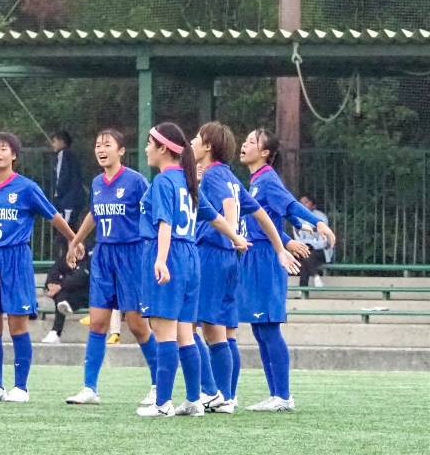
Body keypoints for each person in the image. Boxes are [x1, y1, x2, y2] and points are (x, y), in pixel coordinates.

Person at [135, 123, 251, 418]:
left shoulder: (164, 182)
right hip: (191, 258)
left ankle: (162, 404)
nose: (146, 148)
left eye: (150, 143)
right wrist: (236, 237)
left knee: (164, 333)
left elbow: (164, 224)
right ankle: (194, 401)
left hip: (170, 253)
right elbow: (214, 217)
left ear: (163, 148)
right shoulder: (188, 181)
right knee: (185, 332)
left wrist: (160, 260)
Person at [192, 122, 297, 413]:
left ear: (209, 146)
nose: (192, 142)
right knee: (221, 333)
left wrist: (233, 236)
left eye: (196, 138)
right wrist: (280, 247)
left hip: (212, 255)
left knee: (186, 327)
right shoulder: (228, 175)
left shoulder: (214, 174)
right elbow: (261, 214)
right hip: (230, 260)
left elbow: (228, 206)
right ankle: (225, 396)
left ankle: (211, 393)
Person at [0, 132, 79, 403]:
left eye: (3, 149)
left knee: (17, 325)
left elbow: (53, 215)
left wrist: (73, 239)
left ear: (14, 155)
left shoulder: (26, 188)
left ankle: (20, 387)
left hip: (15, 259)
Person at [238, 129, 336, 412]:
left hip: (267, 258)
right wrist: (296, 228)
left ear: (265, 153)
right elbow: (277, 214)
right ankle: (275, 394)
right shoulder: (255, 182)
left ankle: (283, 395)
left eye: (252, 142)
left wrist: (316, 224)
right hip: (252, 256)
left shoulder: (267, 178)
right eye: (245, 140)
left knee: (269, 327)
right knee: (260, 330)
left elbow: (290, 203)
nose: (245, 144)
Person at [63, 130, 157, 405]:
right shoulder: (96, 183)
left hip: (132, 255)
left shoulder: (136, 181)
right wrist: (76, 240)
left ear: (121, 151)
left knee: (138, 326)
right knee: (98, 322)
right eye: (97, 144)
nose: (101, 149)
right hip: (104, 255)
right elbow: (94, 212)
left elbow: (152, 212)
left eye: (107, 145)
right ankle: (89, 388)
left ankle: (158, 384)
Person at [40, 248, 90, 345]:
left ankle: (56, 332)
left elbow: (79, 279)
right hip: (66, 295)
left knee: (61, 295)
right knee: (60, 298)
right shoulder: (63, 260)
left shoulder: (87, 260)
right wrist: (50, 285)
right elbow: (52, 275)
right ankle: (55, 332)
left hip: (86, 296)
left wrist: (60, 286)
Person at [49, 130, 88, 243]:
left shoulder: (63, 154)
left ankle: (79, 255)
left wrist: (58, 194)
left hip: (68, 200)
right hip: (73, 199)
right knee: (72, 228)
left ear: (62, 141)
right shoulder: (72, 155)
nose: (53, 144)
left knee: (66, 230)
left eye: (55, 141)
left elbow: (61, 175)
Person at [295, 195, 333, 290]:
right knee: (306, 254)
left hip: (320, 251)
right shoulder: (297, 218)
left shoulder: (321, 218)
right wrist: (308, 244)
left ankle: (302, 290)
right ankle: (315, 277)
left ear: (313, 205)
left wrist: (310, 244)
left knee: (307, 256)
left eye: (306, 202)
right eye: (301, 203)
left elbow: (323, 242)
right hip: (304, 250)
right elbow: (298, 239)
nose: (303, 205)